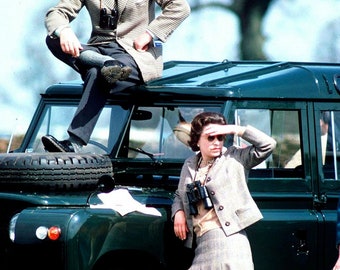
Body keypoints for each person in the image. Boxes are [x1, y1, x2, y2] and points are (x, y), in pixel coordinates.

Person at [41, 0, 190, 152]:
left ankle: (75, 143)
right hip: (96, 49)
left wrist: (150, 34)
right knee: (54, 38)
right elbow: (57, 12)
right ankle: (104, 62)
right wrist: (64, 30)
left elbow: (180, 7)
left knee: (98, 74)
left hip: (133, 54)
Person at [171, 111, 276, 269]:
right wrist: (178, 212)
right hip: (202, 241)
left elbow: (268, 145)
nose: (217, 142)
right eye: (210, 137)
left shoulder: (234, 157)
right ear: (197, 140)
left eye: (220, 137)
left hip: (228, 241)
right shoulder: (190, 164)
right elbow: (180, 194)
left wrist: (234, 129)